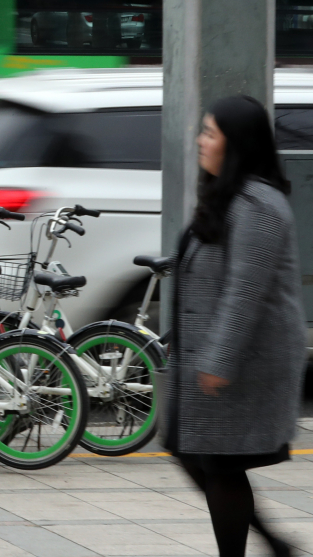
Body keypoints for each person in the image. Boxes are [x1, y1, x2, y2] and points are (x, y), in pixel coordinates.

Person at [165, 94, 304, 557]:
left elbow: (246, 291)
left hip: (248, 362)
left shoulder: (257, 204)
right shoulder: (227, 195)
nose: (199, 140)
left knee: (220, 466)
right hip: (216, 355)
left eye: (209, 132)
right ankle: (273, 543)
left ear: (237, 142)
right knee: (190, 450)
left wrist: (219, 360)